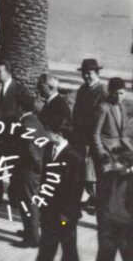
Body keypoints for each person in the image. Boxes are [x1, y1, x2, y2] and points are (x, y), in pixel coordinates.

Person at [38, 110, 86, 261]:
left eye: (48, 132)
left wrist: (66, 214)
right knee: (46, 246)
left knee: (68, 248)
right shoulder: (48, 149)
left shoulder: (74, 158)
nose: (45, 134)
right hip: (48, 210)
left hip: (65, 215)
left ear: (58, 134)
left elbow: (75, 191)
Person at [0, 59, 31, 207]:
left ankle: (14, 199)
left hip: (12, 137)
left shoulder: (19, 89)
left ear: (8, 73)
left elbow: (29, 107)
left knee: (13, 168)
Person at [9, 94, 47, 248]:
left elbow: (31, 149)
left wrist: (38, 167)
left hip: (27, 171)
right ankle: (29, 231)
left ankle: (33, 238)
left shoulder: (26, 124)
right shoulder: (34, 121)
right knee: (27, 203)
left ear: (20, 107)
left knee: (29, 204)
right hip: (29, 170)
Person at [74, 58, 108, 210]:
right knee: (83, 170)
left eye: (89, 73)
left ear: (96, 73)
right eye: (84, 73)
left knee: (93, 173)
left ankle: (97, 201)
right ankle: (90, 199)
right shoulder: (83, 89)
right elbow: (76, 112)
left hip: (93, 138)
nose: (86, 76)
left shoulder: (102, 92)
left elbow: (100, 118)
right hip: (80, 137)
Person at [94, 78, 131, 169]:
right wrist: (101, 152)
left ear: (125, 93)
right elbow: (96, 133)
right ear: (110, 92)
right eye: (115, 93)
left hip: (122, 148)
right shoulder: (104, 108)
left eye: (121, 93)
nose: (118, 97)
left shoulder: (123, 107)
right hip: (108, 150)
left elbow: (125, 133)